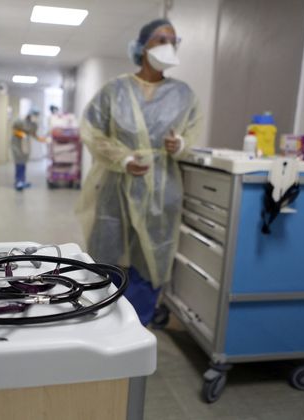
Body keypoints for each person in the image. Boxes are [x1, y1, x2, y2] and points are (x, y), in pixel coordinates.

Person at [75, 18, 202, 326]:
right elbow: (92, 130)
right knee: (109, 249)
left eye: (173, 40)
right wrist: (123, 158)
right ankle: (106, 320)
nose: (168, 46)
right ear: (143, 46)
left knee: (151, 256)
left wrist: (180, 144)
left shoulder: (184, 94)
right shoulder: (114, 90)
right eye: (160, 39)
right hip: (115, 185)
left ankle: (139, 325)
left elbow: (192, 133)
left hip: (161, 187)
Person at [10, 109, 40, 191]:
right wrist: (21, 134)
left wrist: (42, 139)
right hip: (16, 144)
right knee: (19, 163)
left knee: (23, 163)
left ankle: (22, 181)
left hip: (25, 144)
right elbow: (14, 129)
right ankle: (18, 182)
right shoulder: (20, 121)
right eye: (34, 115)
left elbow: (33, 134)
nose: (35, 117)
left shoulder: (34, 124)